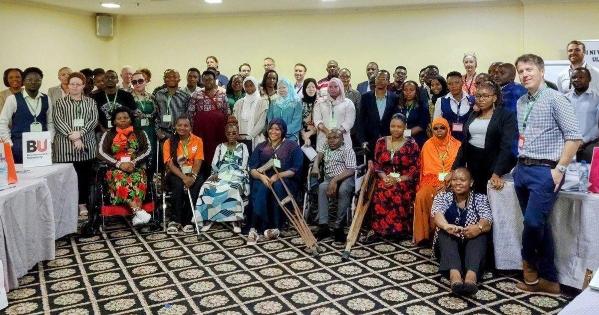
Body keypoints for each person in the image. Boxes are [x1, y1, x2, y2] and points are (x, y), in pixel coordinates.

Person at [513, 54, 581, 294]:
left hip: (546, 171)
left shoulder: (556, 99)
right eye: (521, 71)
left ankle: (528, 263)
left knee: (532, 223)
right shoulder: (521, 102)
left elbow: (574, 137)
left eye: (529, 69)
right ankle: (550, 280)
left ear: (542, 72)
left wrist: (559, 170)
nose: (525, 74)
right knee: (541, 225)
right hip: (522, 169)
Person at [432, 167, 493, 295]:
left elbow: (487, 221)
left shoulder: (480, 198)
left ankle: (471, 278)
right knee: (444, 233)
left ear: (471, 183)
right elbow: (436, 214)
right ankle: (455, 278)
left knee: (480, 236)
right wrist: (447, 226)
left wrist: (478, 228)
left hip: (471, 247)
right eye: (454, 179)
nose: (457, 183)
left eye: (462, 180)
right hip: (449, 247)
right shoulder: (443, 196)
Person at [452, 80, 518, 194]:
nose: (481, 99)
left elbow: (506, 146)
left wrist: (497, 172)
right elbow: (465, 144)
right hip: (473, 163)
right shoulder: (473, 114)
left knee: (490, 199)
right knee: (474, 197)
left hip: (493, 163)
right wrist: (454, 169)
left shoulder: (506, 115)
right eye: (477, 96)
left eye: (485, 96)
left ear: (494, 98)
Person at [247, 119, 303, 245]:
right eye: (271, 128)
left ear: (283, 131)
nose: (273, 131)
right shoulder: (261, 146)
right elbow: (252, 169)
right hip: (264, 178)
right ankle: (254, 228)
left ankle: (276, 225)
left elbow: (295, 169)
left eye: (277, 129)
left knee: (277, 186)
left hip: (285, 180)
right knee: (261, 187)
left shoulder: (292, 146)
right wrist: (262, 177)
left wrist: (278, 176)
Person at [52, 72, 98, 212]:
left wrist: (81, 133)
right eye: (72, 84)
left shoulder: (90, 102)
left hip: (86, 145)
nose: (75, 87)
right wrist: (75, 137)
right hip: (65, 147)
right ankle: (67, 205)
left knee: (84, 176)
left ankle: (82, 203)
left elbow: (93, 120)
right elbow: (58, 121)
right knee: (67, 178)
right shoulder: (60, 103)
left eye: (78, 84)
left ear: (83, 85)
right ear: (68, 85)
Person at [97, 107, 152, 226]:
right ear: (114, 121)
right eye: (119, 118)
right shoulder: (108, 134)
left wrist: (133, 162)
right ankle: (138, 211)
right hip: (115, 167)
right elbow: (101, 152)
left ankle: (137, 214)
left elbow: (147, 149)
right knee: (121, 179)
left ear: (131, 119)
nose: (123, 120)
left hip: (135, 166)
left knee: (137, 178)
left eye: (126, 118)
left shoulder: (140, 132)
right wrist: (119, 164)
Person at [195, 116, 249, 233]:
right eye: (229, 133)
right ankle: (208, 218)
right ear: (225, 133)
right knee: (207, 187)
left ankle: (235, 220)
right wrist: (214, 173)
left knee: (232, 188)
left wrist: (235, 174)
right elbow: (214, 164)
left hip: (237, 174)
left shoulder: (243, 147)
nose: (231, 135)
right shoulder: (220, 147)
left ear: (238, 133)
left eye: (234, 133)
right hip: (220, 174)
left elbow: (244, 166)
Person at [370, 114, 420, 238]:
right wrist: (384, 177)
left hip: (404, 179)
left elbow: (415, 168)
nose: (395, 129)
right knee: (381, 188)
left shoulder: (411, 144)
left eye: (399, 127)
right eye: (393, 126)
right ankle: (380, 229)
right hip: (384, 177)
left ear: (405, 128)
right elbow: (377, 164)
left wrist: (397, 179)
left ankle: (398, 230)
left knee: (396, 189)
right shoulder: (381, 142)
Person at [413, 117, 461, 245]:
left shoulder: (457, 145)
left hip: (453, 181)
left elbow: (460, 170)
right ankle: (424, 236)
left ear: (448, 128)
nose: (439, 131)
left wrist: (447, 183)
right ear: (432, 130)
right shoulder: (427, 145)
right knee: (422, 195)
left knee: (446, 194)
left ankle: (442, 236)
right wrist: (437, 184)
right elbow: (426, 170)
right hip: (431, 180)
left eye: (442, 128)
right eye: (436, 128)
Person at [0, 67, 54, 163]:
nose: (33, 82)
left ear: (41, 81)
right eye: (29, 80)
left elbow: (50, 122)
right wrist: (9, 143)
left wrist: (50, 140)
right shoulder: (12, 99)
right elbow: (2, 123)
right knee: (23, 177)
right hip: (19, 147)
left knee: (42, 175)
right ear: (23, 82)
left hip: (42, 147)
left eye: (37, 80)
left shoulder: (46, 98)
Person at [312, 129, 356, 242]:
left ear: (342, 139)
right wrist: (315, 166)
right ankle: (324, 226)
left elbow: (351, 170)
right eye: (329, 138)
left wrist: (335, 181)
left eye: (335, 137)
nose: (331, 140)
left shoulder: (347, 149)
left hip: (345, 178)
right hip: (329, 179)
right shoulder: (326, 146)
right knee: (322, 187)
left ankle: (338, 227)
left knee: (343, 190)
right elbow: (319, 156)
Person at [163, 115, 204, 234]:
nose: (182, 128)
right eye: (179, 125)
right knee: (178, 186)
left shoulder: (197, 140)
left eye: (186, 125)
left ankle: (188, 220)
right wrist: (184, 178)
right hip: (176, 172)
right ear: (175, 126)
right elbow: (170, 165)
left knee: (196, 186)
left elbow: (198, 160)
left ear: (190, 127)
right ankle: (175, 220)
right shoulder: (169, 142)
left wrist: (193, 177)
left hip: (193, 172)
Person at [188, 70, 228, 178]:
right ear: (202, 81)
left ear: (215, 80)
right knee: (202, 152)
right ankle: (201, 177)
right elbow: (191, 113)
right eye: (205, 79)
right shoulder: (196, 94)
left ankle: (217, 176)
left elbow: (226, 112)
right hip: (201, 130)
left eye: (210, 79)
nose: (208, 81)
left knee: (217, 151)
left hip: (218, 130)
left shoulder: (222, 93)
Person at [357, 70, 398, 155]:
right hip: (370, 141)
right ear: (375, 80)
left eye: (383, 79)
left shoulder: (394, 98)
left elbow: (396, 120)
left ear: (388, 82)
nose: (380, 81)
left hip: (389, 140)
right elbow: (360, 121)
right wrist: (362, 141)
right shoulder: (365, 97)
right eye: (378, 78)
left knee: (388, 166)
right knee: (371, 167)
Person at [565, 67, 599, 162]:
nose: (577, 80)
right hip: (566, 144)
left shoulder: (597, 99)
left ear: (589, 79)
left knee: (587, 175)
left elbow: (598, 125)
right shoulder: (564, 99)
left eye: (581, 77)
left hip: (589, 145)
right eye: (574, 77)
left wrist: (582, 141)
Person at [313, 78, 355, 151]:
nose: (333, 89)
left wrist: (337, 134)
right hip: (324, 139)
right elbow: (317, 120)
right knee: (323, 160)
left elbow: (349, 122)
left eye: (336, 87)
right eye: (330, 87)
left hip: (343, 139)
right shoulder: (320, 102)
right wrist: (327, 132)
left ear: (340, 87)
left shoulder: (348, 103)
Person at [385, 80, 430, 147]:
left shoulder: (422, 106)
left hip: (416, 140)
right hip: (397, 139)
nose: (408, 92)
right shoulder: (397, 105)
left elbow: (422, 126)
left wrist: (404, 133)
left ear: (416, 91)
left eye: (411, 90)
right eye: (405, 90)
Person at [433, 71, 475, 141]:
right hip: (448, 141)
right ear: (447, 85)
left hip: (469, 141)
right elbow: (436, 123)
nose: (453, 86)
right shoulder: (441, 101)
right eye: (450, 84)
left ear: (462, 83)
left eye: (457, 82)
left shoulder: (472, 100)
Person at [131, 71, 158, 173]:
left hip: (150, 131)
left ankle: (150, 183)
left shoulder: (152, 97)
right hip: (135, 132)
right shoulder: (128, 97)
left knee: (150, 158)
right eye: (134, 82)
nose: (137, 84)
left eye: (140, 81)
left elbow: (156, 115)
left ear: (146, 81)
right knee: (137, 157)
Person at [155, 69, 190, 142]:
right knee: (165, 153)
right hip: (163, 134)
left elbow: (189, 116)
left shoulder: (185, 96)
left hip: (180, 133)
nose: (171, 79)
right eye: (168, 77)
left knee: (180, 154)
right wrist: (158, 131)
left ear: (179, 79)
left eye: (174, 76)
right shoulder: (159, 95)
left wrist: (186, 132)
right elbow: (155, 114)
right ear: (164, 80)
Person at [233, 76, 267, 150]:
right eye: (246, 86)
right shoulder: (239, 103)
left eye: (251, 85)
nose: (249, 88)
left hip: (256, 138)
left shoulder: (262, 102)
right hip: (240, 138)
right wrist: (238, 135)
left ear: (256, 86)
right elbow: (235, 121)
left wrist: (250, 136)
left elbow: (261, 122)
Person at [339, 68, 362, 144]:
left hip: (352, 131)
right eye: (342, 76)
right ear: (338, 77)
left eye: (347, 76)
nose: (345, 79)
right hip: (337, 130)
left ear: (350, 78)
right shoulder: (333, 93)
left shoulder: (356, 94)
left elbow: (358, 114)